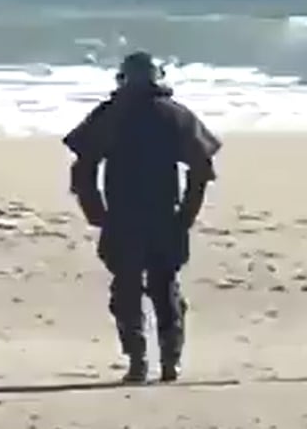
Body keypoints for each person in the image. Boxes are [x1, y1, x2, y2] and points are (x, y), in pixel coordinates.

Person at [62, 51, 222, 384]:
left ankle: (137, 360)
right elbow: (201, 169)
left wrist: (97, 213)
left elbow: (83, 168)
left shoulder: (110, 115)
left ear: (124, 78)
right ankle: (170, 361)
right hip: (165, 216)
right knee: (165, 289)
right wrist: (187, 215)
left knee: (126, 291)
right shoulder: (176, 116)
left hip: (122, 218)